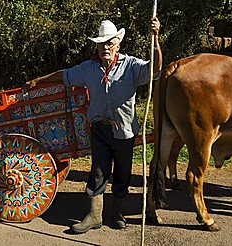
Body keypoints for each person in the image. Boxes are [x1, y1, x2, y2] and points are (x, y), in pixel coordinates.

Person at [25, 17, 162, 233]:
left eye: (109, 43)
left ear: (118, 44)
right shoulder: (88, 69)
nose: (105, 47)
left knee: (123, 173)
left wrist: (155, 39)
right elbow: (65, 75)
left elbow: (154, 69)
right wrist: (40, 80)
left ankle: (117, 213)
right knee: (98, 172)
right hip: (99, 128)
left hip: (124, 130)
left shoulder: (131, 66)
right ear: (96, 46)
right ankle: (94, 215)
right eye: (101, 43)